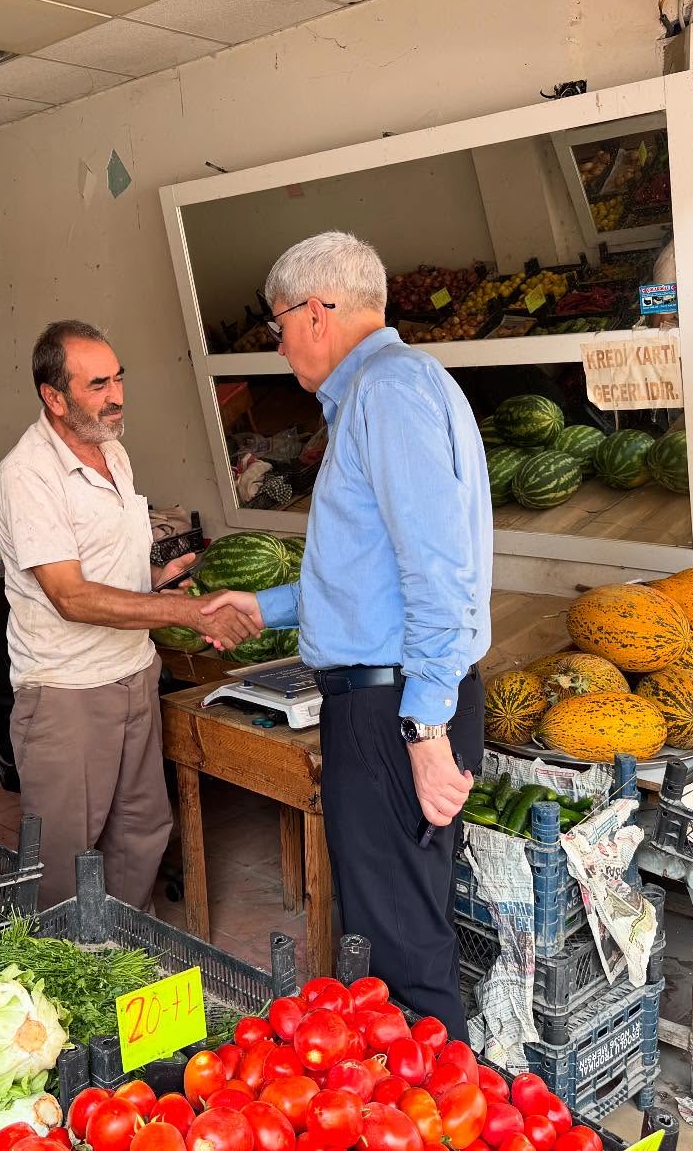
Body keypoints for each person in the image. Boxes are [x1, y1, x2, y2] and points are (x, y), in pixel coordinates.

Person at [204, 232, 492, 1035]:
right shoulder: (393, 390)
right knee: (391, 938)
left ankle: (445, 1118)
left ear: (317, 312)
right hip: (400, 701)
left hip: (396, 709)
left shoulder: (388, 393)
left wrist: (425, 727)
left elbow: (437, 571)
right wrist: (266, 606)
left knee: (403, 958)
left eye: (279, 324)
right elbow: (373, 570)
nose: (279, 341)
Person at [0, 319, 261, 908]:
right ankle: (62, 985)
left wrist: (159, 582)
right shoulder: (27, 475)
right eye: (97, 385)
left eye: (118, 379)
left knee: (141, 832)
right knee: (63, 858)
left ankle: (121, 962)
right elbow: (71, 596)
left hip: (133, 673)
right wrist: (183, 614)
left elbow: (108, 569)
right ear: (53, 397)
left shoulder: (113, 450)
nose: (116, 396)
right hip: (68, 693)